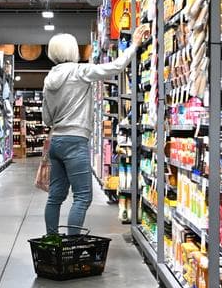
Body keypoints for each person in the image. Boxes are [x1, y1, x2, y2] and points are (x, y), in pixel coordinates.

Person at [41, 24, 151, 236]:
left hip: (56, 141)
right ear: (72, 50)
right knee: (82, 196)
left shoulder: (48, 79)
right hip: (75, 141)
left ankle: (51, 241)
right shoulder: (80, 71)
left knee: (55, 196)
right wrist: (134, 45)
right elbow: (116, 66)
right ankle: (72, 245)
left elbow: (46, 118)